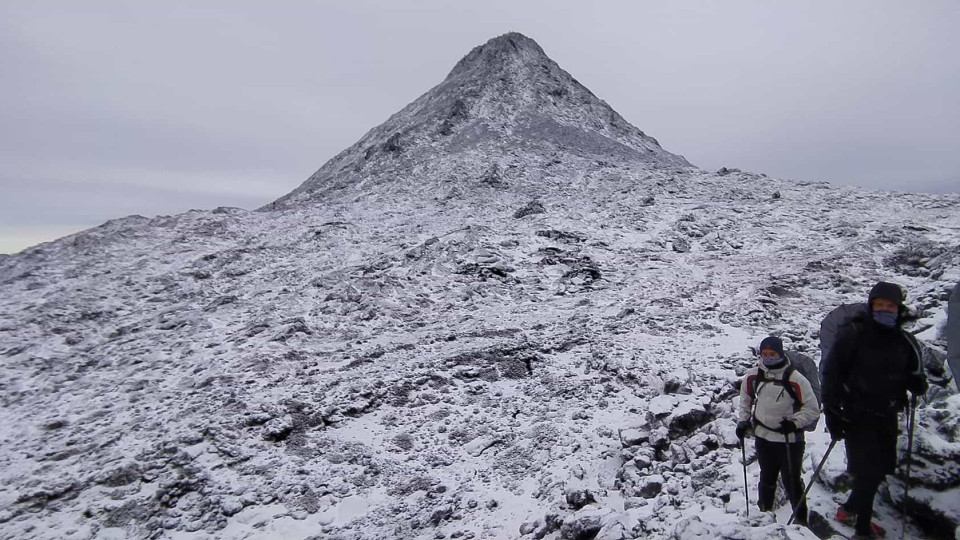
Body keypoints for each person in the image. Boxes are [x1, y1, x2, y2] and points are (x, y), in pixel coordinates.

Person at [820, 282, 928, 539]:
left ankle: (849, 509)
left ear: (899, 309)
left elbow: (915, 374)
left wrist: (916, 383)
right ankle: (862, 530)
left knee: (880, 470)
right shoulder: (853, 334)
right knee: (867, 473)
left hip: (888, 415)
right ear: (870, 307)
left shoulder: (904, 341)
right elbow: (832, 375)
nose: (884, 310)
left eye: (889, 306)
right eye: (879, 305)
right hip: (857, 415)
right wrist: (833, 415)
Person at [737, 336, 820, 525]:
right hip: (763, 437)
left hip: (790, 440)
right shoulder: (754, 375)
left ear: (780, 353)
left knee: (792, 482)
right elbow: (745, 399)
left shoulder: (795, 378)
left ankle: (801, 522)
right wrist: (743, 422)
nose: (768, 357)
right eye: (764, 354)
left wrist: (795, 423)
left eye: (772, 354)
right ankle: (763, 516)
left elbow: (812, 408)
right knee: (766, 478)